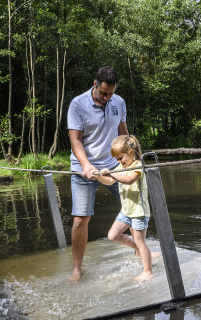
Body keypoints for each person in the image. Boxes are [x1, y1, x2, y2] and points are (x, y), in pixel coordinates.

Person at [67, 66, 129, 282]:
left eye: (111, 93)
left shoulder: (118, 102)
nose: (107, 97)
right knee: (80, 220)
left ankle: (139, 249)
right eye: (104, 93)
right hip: (84, 167)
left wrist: (130, 160)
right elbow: (75, 140)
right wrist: (86, 165)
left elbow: (123, 135)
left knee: (136, 206)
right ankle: (77, 269)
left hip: (113, 165)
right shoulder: (78, 104)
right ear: (95, 84)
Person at [91, 135, 155, 281]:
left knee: (140, 241)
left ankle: (148, 271)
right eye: (117, 159)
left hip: (138, 211)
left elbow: (129, 180)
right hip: (126, 211)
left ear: (131, 153)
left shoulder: (138, 165)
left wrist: (111, 173)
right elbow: (108, 181)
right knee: (113, 235)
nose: (119, 162)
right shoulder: (121, 167)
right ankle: (139, 250)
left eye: (121, 158)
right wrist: (97, 175)